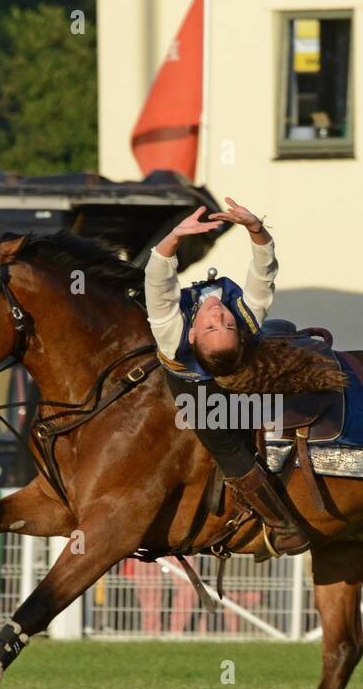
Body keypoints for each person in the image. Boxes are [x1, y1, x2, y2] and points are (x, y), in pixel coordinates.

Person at [144, 198, 341, 556]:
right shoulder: (239, 316)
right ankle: (279, 521)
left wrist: (175, 237)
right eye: (221, 323)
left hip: (214, 374)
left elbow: (158, 278)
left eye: (218, 323)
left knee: (225, 438)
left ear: (191, 335)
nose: (218, 314)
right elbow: (264, 271)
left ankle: (279, 523)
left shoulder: (174, 329)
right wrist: (256, 229)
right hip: (211, 373)